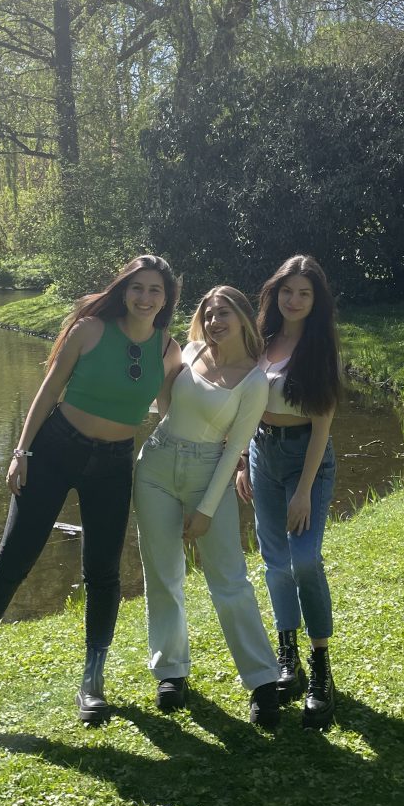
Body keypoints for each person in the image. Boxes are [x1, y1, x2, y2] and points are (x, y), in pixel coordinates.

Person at [0, 255, 181, 728]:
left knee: (103, 573)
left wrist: (224, 448)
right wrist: (21, 452)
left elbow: (172, 414)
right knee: (14, 558)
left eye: (155, 290)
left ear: (166, 298)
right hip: (56, 449)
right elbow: (49, 390)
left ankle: (92, 681)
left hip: (114, 464)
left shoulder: (168, 350)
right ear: (124, 290)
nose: (144, 297)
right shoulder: (89, 330)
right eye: (137, 287)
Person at [135, 287, 280, 727]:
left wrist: (206, 509)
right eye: (209, 314)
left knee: (229, 580)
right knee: (163, 574)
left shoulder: (254, 380)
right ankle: (171, 671)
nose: (215, 322)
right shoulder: (191, 351)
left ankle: (262, 681)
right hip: (156, 467)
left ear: (242, 318)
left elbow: (236, 446)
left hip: (208, 472)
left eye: (224, 314)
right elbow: (163, 401)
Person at [236, 255, 344, 730]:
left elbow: (322, 427)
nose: (294, 300)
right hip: (263, 454)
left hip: (306, 459)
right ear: (274, 293)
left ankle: (321, 669)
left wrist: (303, 492)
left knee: (304, 560)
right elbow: (245, 405)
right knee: (275, 562)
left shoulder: (321, 349)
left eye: (304, 293)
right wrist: (243, 459)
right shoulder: (259, 340)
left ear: (316, 300)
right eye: (287, 291)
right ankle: (289, 659)